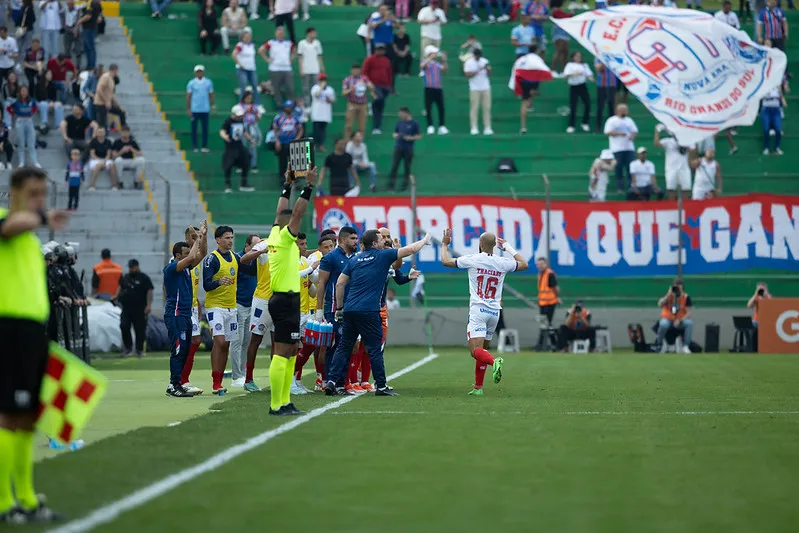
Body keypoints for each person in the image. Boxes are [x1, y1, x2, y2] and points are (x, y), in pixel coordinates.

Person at [0, 167, 69, 524]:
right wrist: (40, 216)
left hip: (31, 330)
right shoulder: (7, 222)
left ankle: (25, 498)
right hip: (8, 327)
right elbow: (10, 226)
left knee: (27, 416)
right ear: (13, 194)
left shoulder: (29, 236)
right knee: (9, 414)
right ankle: (3, 503)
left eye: (43, 194)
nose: (39, 200)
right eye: (32, 193)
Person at [324, 229, 432, 397]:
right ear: (374, 243)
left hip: (350, 310)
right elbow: (411, 249)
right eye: (381, 239)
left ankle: (331, 381)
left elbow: (340, 283)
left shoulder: (355, 259)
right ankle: (381, 386)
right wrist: (424, 240)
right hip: (369, 310)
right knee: (374, 349)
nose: (384, 241)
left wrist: (339, 308)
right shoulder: (383, 255)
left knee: (344, 347)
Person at [440, 228, 526, 395]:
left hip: (478, 310)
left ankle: (495, 362)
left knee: (475, 351)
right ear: (494, 245)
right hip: (494, 312)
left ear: (480, 244)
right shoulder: (502, 262)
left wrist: (444, 244)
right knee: (482, 351)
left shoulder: (472, 259)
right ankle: (478, 388)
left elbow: (445, 261)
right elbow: (524, 264)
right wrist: (508, 248)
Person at [264, 167, 317, 415]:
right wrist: (308, 186)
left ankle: (284, 401)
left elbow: (280, 211)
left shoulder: (274, 232)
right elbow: (296, 212)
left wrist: (287, 185)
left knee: (292, 350)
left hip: (286, 298)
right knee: (283, 351)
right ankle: (277, 404)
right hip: (285, 299)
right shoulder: (285, 238)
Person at [202, 225, 256, 394]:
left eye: (232, 237)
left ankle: (218, 381)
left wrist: (261, 252)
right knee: (220, 341)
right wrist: (219, 281)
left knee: (225, 345)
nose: (230, 241)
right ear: (218, 240)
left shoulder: (235, 257)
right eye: (226, 238)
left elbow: (252, 269)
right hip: (215, 307)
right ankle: (216, 381)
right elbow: (206, 285)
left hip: (231, 309)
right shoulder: (212, 259)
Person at [162, 222, 206, 397]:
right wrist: (198, 238)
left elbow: (201, 254)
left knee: (186, 350)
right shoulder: (172, 268)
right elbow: (192, 256)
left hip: (186, 315)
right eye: (186, 254)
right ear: (178, 255)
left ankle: (178, 383)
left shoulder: (185, 268)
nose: (190, 256)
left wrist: (203, 236)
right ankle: (173, 385)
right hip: (176, 314)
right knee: (178, 350)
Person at [315, 226, 359, 379]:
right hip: (334, 309)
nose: (356, 241)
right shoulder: (330, 257)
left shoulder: (354, 257)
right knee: (333, 345)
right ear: (343, 239)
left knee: (347, 346)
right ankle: (328, 380)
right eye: (353, 239)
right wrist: (319, 310)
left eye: (357, 238)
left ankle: (341, 381)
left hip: (351, 308)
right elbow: (321, 284)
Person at [228, 233, 259, 388]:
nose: (257, 249)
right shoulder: (238, 259)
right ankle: (236, 376)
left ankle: (243, 373)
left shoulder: (256, 261)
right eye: (254, 247)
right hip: (238, 305)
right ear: (247, 246)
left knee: (246, 341)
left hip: (251, 305)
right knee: (236, 341)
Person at [289, 232, 319, 395]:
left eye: (306, 244)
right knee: (293, 347)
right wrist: (310, 269)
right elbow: (293, 275)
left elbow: (313, 280)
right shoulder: (288, 261)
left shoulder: (304, 260)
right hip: (292, 311)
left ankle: (297, 380)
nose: (305, 247)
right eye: (301, 244)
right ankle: (290, 382)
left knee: (309, 345)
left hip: (305, 311)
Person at [179, 225, 207, 396]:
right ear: (186, 237)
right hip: (181, 306)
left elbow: (202, 253)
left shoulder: (195, 256)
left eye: (197, 236)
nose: (195, 238)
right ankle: (180, 381)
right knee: (185, 343)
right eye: (193, 236)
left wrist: (204, 236)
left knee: (195, 341)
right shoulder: (182, 257)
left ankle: (184, 379)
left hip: (193, 305)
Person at [115, 259, 153, 358]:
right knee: (124, 326)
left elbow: (149, 291)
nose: (131, 269)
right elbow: (120, 287)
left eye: (132, 267)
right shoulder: (125, 277)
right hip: (126, 308)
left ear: (137, 266)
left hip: (140, 308)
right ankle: (128, 348)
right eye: (130, 267)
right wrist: (116, 296)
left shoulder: (144, 278)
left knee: (140, 329)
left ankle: (139, 350)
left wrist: (149, 305)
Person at [654, 125, 695, 200]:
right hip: (671, 169)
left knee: (686, 189)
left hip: (684, 168)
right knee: (671, 189)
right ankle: (672, 207)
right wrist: (657, 131)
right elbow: (656, 144)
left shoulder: (687, 141)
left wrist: (684, 145)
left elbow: (693, 151)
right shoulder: (668, 141)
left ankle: (685, 207)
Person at [604, 103, 638, 193]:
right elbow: (607, 132)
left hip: (629, 148)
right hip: (617, 148)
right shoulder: (612, 120)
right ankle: (619, 187)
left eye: (626, 110)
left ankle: (631, 186)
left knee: (630, 167)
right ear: (618, 111)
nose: (626, 112)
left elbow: (634, 131)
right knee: (618, 168)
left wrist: (632, 137)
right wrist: (619, 133)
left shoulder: (629, 120)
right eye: (624, 110)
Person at [220, 105, 254, 193]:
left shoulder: (241, 121)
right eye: (238, 115)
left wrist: (250, 139)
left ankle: (243, 183)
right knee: (228, 165)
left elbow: (244, 131)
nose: (240, 117)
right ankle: (227, 185)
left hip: (239, 145)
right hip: (230, 146)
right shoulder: (228, 121)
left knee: (247, 158)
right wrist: (225, 137)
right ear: (233, 114)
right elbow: (222, 131)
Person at [387, 107, 421, 191]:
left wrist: (411, 138)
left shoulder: (414, 123)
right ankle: (391, 186)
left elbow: (419, 136)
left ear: (406, 113)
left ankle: (405, 186)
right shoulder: (399, 122)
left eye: (401, 113)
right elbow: (395, 133)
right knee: (394, 166)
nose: (399, 115)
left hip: (408, 148)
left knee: (407, 167)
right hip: (398, 147)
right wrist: (395, 135)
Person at [362, 44, 393, 135]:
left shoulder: (386, 60)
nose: (380, 51)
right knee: (379, 100)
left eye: (382, 50)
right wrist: (368, 83)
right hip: (374, 85)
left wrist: (390, 85)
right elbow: (364, 73)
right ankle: (376, 126)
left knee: (381, 106)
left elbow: (389, 73)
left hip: (385, 85)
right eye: (379, 49)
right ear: (375, 50)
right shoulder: (370, 59)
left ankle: (377, 126)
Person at [656, 280, 693, 353]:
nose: (678, 289)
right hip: (668, 319)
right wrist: (668, 294)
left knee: (689, 323)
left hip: (679, 320)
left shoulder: (685, 297)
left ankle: (685, 346)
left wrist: (680, 320)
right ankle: (659, 344)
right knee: (663, 324)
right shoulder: (669, 295)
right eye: (676, 287)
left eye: (680, 287)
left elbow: (689, 313)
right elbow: (660, 304)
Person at [6, 84, 39, 168]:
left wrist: (32, 113)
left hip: (29, 121)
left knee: (31, 143)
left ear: (28, 92)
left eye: (25, 91)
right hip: (20, 121)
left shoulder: (31, 100)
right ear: (20, 92)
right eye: (22, 91)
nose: (24, 92)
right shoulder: (17, 102)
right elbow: (8, 108)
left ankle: (35, 162)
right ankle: (21, 162)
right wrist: (14, 114)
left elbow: (35, 107)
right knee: (21, 143)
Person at [342, 63, 375, 141]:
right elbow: (343, 93)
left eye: (357, 70)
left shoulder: (364, 79)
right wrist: (350, 89)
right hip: (352, 103)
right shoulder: (347, 80)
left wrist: (368, 85)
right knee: (348, 125)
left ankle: (360, 142)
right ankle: (346, 142)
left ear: (360, 71)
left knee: (362, 126)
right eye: (354, 70)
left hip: (362, 104)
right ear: (351, 71)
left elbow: (372, 88)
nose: (356, 71)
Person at [272, 99, 302, 181]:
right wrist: (277, 141)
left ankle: (294, 179)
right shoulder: (278, 118)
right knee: (282, 161)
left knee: (294, 162)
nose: (288, 109)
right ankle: (282, 179)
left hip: (292, 142)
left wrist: (297, 139)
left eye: (290, 107)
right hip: (282, 142)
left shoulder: (295, 118)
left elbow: (300, 129)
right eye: (287, 107)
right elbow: (275, 130)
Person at [186, 64, 215, 153]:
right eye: (198, 72)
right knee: (194, 128)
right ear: (195, 73)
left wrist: (212, 105)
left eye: (200, 71)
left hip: (205, 109)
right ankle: (194, 145)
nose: (199, 73)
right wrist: (188, 108)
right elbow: (188, 96)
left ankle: (204, 145)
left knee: (205, 128)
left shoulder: (208, 82)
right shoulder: (191, 83)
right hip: (195, 109)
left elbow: (211, 94)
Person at [464, 48, 492, 136]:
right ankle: (474, 127)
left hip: (485, 87)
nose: (478, 58)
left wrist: (487, 69)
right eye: (477, 56)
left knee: (487, 108)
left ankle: (487, 127)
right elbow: (467, 75)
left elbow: (490, 74)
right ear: (474, 55)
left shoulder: (485, 61)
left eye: (479, 56)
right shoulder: (468, 63)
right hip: (474, 88)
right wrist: (479, 69)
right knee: (474, 108)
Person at [563, 51, 593, 134]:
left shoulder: (585, 65)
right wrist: (574, 73)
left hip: (582, 86)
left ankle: (585, 122)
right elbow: (565, 76)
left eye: (580, 56)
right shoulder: (569, 65)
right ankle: (571, 125)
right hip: (574, 87)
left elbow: (589, 74)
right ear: (573, 57)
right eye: (577, 56)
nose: (578, 58)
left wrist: (590, 78)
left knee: (587, 103)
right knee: (573, 106)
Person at [420, 46, 447, 135]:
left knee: (441, 108)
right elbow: (422, 66)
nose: (435, 54)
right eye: (433, 53)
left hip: (438, 88)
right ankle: (430, 126)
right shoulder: (425, 62)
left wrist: (444, 60)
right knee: (428, 108)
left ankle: (441, 126)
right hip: (429, 88)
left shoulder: (437, 63)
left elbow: (444, 69)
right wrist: (429, 58)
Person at [535, 257, 558, 350]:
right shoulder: (541, 274)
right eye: (538, 264)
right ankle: (554, 343)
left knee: (546, 324)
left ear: (546, 264)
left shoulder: (549, 274)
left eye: (541, 264)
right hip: (543, 303)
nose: (540, 266)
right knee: (547, 324)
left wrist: (556, 297)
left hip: (550, 302)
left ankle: (542, 344)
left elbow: (555, 288)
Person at [297, 27, 324, 106]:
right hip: (306, 69)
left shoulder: (317, 43)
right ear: (308, 33)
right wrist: (301, 69)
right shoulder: (301, 43)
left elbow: (319, 56)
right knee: (306, 89)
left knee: (316, 88)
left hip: (315, 69)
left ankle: (316, 104)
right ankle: (307, 105)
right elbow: (300, 57)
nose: (315, 34)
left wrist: (321, 67)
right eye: (313, 33)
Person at [87, 126, 117, 191]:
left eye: (103, 132)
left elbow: (108, 154)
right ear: (97, 133)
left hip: (105, 159)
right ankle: (92, 185)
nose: (101, 133)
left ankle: (114, 186)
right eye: (99, 132)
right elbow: (92, 154)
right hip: (95, 160)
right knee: (98, 165)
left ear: (105, 133)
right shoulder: (93, 141)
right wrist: (99, 161)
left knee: (112, 165)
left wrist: (104, 161)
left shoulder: (108, 141)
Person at [310, 72, 334, 153]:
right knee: (316, 131)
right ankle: (314, 146)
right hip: (317, 114)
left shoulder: (330, 89)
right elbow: (317, 95)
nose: (322, 81)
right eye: (321, 80)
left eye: (324, 79)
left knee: (322, 131)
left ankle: (321, 146)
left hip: (325, 114)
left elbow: (332, 100)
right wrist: (321, 87)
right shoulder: (315, 88)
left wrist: (329, 99)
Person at [760, 84, 785, 155]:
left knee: (778, 129)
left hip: (776, 109)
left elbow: (780, 95)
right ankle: (766, 148)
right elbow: (762, 96)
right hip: (766, 109)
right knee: (766, 129)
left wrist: (781, 99)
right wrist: (772, 96)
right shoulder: (764, 84)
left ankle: (777, 148)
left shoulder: (778, 84)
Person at [594, 59, 617, 133]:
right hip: (601, 85)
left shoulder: (613, 57)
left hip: (612, 84)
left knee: (611, 106)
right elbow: (598, 69)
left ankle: (612, 127)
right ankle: (598, 127)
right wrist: (604, 61)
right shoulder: (598, 58)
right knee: (600, 106)